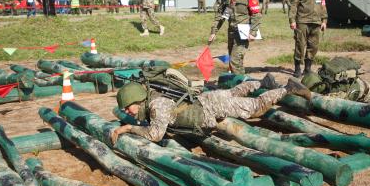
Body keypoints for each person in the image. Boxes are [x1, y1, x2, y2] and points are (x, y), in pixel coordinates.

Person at [111, 76, 311, 143]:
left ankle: (289, 88)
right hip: (206, 101)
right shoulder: (153, 98)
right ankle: (262, 81)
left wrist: (128, 129)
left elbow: (155, 134)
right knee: (233, 93)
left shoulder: (157, 106)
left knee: (255, 108)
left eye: (128, 108)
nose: (128, 112)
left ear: (137, 99)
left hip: (210, 108)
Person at [209, 0, 262, 75]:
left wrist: (253, 32)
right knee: (234, 60)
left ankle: (241, 86)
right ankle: (237, 83)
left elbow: (256, 15)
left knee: (235, 60)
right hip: (232, 31)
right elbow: (223, 14)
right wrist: (214, 32)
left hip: (243, 30)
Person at [289, 0, 327, 78]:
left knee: (313, 46)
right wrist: (292, 20)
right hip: (302, 20)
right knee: (300, 45)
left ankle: (307, 68)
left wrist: (324, 20)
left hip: (316, 21)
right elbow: (294, 4)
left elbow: (323, 5)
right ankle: (297, 68)